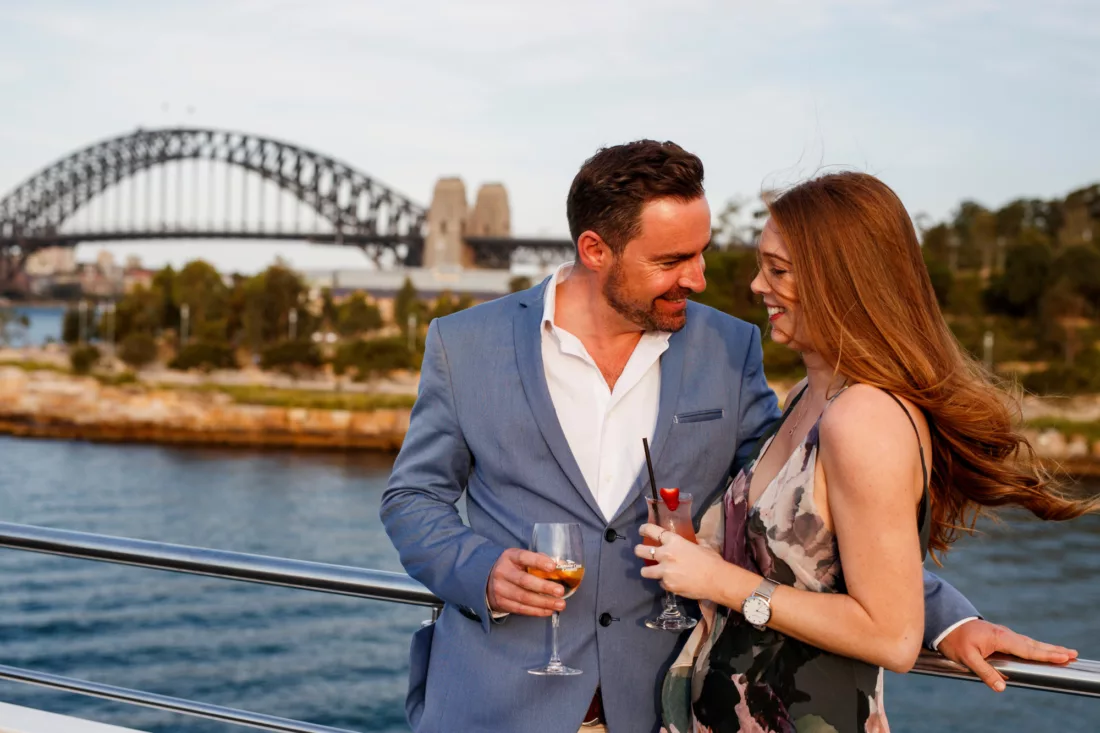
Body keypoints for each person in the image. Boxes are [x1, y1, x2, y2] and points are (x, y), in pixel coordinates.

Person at [380, 142, 1073, 733]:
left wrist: (945, 619)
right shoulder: (463, 344)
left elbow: (797, 514)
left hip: (665, 707)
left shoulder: (728, 347)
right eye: (672, 260)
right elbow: (413, 498)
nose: (702, 278)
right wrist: (483, 570)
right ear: (596, 250)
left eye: (703, 251)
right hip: (497, 704)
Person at [636, 171, 1096, 733]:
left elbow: (892, 637)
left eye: (778, 270)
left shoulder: (863, 418)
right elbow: (835, 564)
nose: (757, 285)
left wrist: (717, 582)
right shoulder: (810, 395)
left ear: (841, 283)